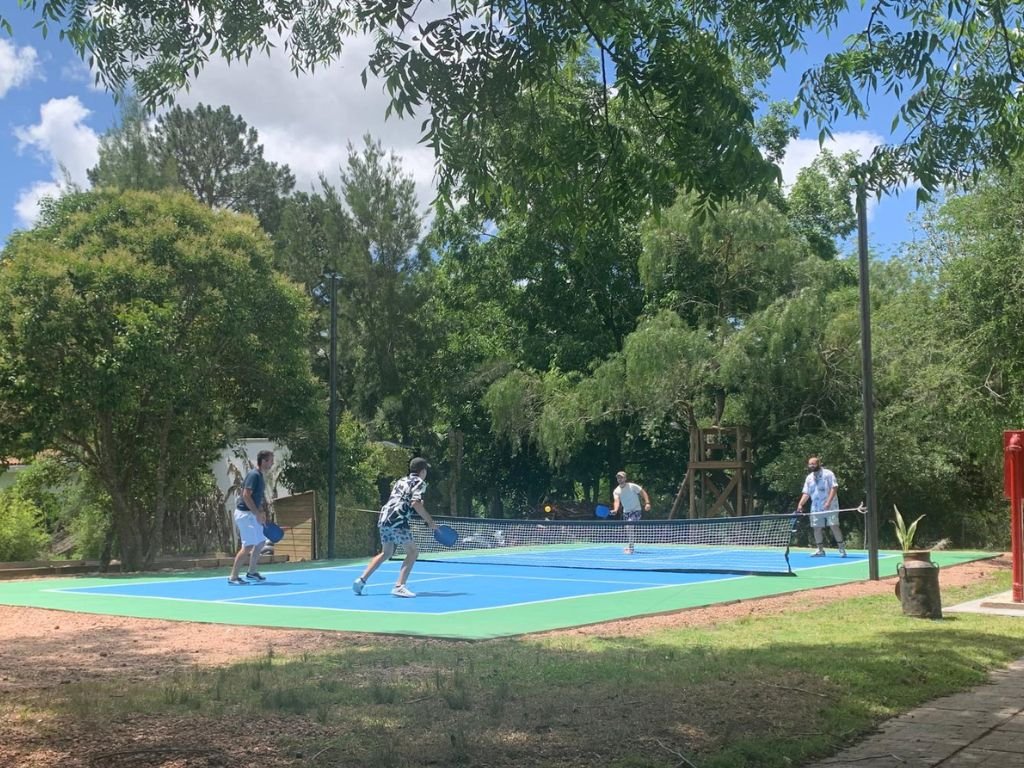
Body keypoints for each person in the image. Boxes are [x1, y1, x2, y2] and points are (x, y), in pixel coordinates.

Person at [353, 457, 438, 598]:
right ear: (423, 471)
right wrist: (430, 522)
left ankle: (361, 580)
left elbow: (405, 499)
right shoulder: (420, 482)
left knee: (386, 552)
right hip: (398, 520)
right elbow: (415, 504)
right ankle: (399, 586)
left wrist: (415, 505)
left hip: (384, 518)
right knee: (412, 552)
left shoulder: (401, 481)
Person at [228, 449, 274, 584]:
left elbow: (256, 498)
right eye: (271, 461)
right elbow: (246, 496)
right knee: (248, 546)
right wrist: (257, 514)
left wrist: (261, 512)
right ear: (264, 461)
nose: (272, 463)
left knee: (260, 542)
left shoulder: (260, 475)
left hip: (252, 514)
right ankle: (233, 577)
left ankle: (252, 572)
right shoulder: (254, 475)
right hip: (245, 515)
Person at [796, 456, 846, 557]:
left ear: (819, 464)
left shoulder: (828, 474)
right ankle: (820, 550)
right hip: (816, 507)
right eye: (810, 464)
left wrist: (828, 502)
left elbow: (834, 487)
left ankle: (842, 549)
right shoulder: (809, 478)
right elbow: (806, 493)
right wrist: (800, 504)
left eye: (813, 464)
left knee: (834, 526)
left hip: (830, 506)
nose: (811, 466)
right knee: (816, 528)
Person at [611, 470, 651, 554]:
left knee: (629, 525)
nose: (620, 479)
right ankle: (631, 545)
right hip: (626, 512)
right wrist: (615, 510)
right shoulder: (616, 491)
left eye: (621, 477)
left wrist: (647, 503)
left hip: (636, 510)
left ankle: (631, 547)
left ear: (625, 478)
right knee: (628, 528)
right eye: (618, 478)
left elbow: (643, 492)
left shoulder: (632, 486)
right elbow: (617, 501)